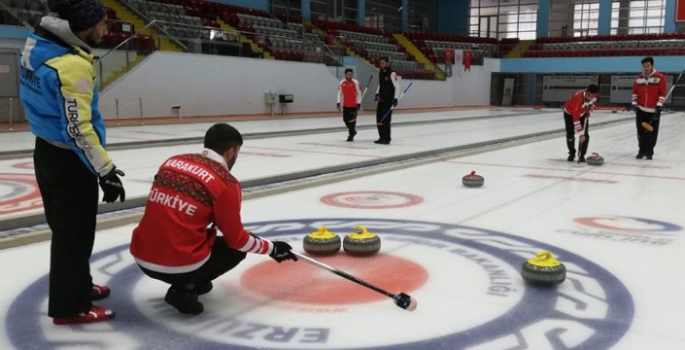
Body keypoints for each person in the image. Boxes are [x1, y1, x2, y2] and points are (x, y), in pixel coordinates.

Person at [18, 0, 125, 325]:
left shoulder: (36, 45)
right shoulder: (71, 66)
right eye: (102, 25)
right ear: (84, 26)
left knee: (70, 231)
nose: (106, 32)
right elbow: (78, 129)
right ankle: (69, 306)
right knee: (74, 236)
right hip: (68, 160)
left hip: (46, 151)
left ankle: (79, 285)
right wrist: (105, 171)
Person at [130, 123, 298, 315]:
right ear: (231, 151)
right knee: (235, 249)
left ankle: (193, 282)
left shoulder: (172, 161)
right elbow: (237, 240)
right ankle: (185, 288)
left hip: (141, 256)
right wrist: (272, 248)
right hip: (178, 265)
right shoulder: (226, 183)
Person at [632, 56, 667, 160]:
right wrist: (634, 103)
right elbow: (635, 93)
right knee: (640, 132)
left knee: (652, 132)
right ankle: (641, 151)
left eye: (647, 66)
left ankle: (649, 152)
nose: (646, 68)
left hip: (654, 110)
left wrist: (659, 104)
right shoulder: (638, 79)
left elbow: (662, 93)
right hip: (641, 109)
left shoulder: (660, 77)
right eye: (644, 66)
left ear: (652, 65)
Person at [563, 84, 599, 162]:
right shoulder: (578, 98)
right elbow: (575, 118)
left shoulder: (595, 96)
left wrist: (589, 111)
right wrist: (580, 134)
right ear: (586, 91)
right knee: (570, 134)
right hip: (570, 113)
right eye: (589, 95)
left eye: (592, 96)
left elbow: (593, 104)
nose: (590, 97)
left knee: (586, 135)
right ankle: (572, 153)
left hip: (583, 113)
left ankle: (582, 155)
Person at [374, 57, 401, 145]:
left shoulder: (392, 73)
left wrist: (395, 99)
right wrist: (377, 93)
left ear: (387, 63)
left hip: (388, 100)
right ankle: (381, 137)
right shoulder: (380, 72)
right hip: (381, 100)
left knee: (386, 120)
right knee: (379, 119)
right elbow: (380, 84)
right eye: (380, 63)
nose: (381, 64)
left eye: (383, 63)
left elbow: (397, 86)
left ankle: (387, 138)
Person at [337, 68, 362, 142]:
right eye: (348, 74)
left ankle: (351, 135)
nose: (350, 76)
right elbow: (339, 93)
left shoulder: (356, 82)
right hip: (345, 105)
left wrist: (358, 103)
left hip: (354, 105)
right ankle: (353, 131)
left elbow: (359, 93)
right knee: (345, 120)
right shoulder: (342, 82)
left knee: (352, 121)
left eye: (351, 74)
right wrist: (338, 102)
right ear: (345, 74)